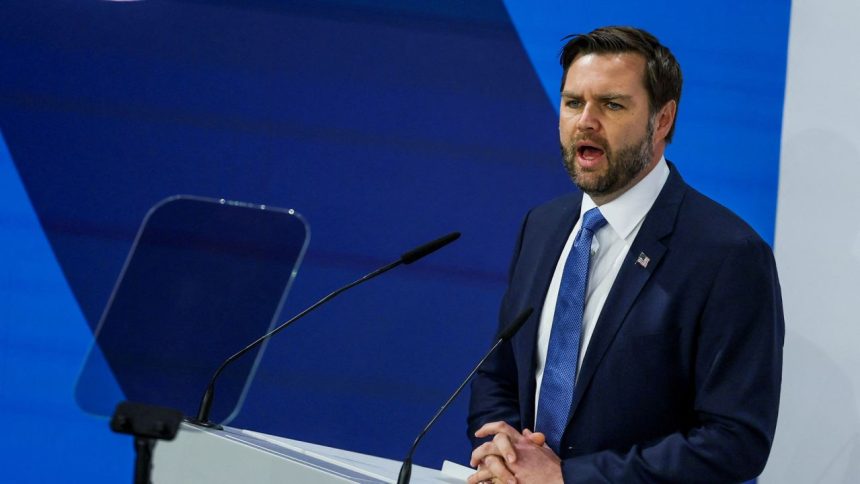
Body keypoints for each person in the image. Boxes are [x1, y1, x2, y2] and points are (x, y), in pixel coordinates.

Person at [466, 26, 784, 483]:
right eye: (573, 102)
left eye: (612, 105)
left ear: (663, 119)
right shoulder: (543, 226)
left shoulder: (728, 255)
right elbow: (499, 373)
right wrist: (506, 454)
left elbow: (734, 440)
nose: (585, 121)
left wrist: (569, 479)